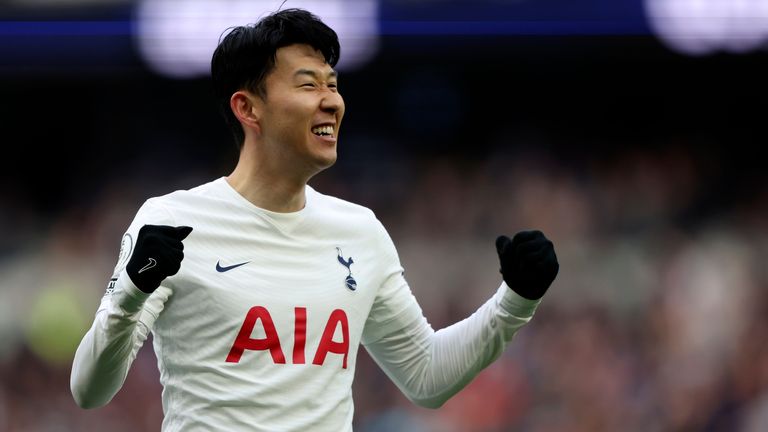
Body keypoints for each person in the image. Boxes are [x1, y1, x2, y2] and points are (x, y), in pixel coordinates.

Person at [70, 8, 559, 431]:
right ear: (248, 107)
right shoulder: (172, 221)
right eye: (308, 84)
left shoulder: (359, 230)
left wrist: (515, 300)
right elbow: (89, 390)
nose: (332, 100)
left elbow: (426, 376)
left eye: (333, 84)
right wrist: (132, 291)